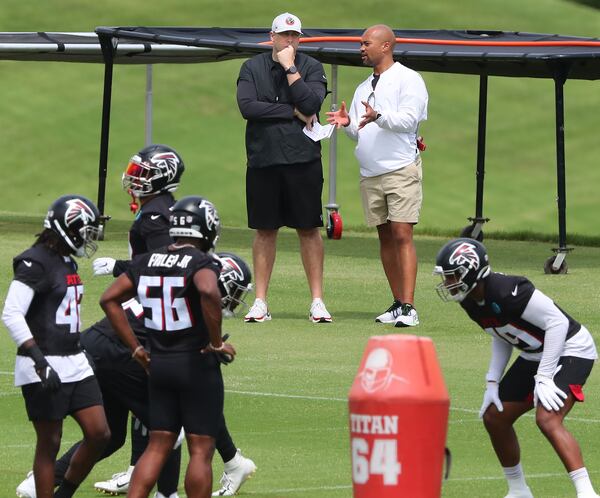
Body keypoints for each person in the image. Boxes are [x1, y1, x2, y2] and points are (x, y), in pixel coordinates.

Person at [434, 238, 600, 498]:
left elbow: (557, 324)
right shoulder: (469, 300)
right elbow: (500, 334)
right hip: (536, 353)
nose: (448, 283)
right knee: (495, 417)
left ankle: (587, 493)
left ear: (472, 271)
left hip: (571, 348)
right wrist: (492, 381)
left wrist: (544, 376)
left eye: (453, 276)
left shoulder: (508, 289)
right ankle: (519, 490)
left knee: (547, 419)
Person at [100, 195, 236, 498]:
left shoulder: (147, 259)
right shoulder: (203, 262)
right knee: (201, 449)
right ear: (206, 228)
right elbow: (208, 290)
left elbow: (108, 299)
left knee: (159, 443)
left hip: (157, 361)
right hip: (196, 363)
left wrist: (136, 349)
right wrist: (216, 342)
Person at [2, 194, 111, 498]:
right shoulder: (34, 261)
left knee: (99, 433)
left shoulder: (66, 259)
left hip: (74, 359)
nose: (89, 237)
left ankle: (64, 494)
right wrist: (38, 359)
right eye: (86, 230)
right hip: (42, 361)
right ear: (68, 227)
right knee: (49, 441)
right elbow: (11, 312)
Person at [326, 24, 428, 327]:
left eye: (366, 43)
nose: (361, 48)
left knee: (401, 234)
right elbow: (360, 133)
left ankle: (409, 307)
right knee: (384, 236)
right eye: (360, 43)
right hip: (370, 173)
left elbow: (410, 120)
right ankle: (397, 302)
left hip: (400, 169)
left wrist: (379, 116)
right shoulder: (362, 88)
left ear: (386, 46)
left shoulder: (409, 79)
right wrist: (348, 124)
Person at [236, 12, 332, 324]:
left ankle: (317, 301)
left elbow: (310, 105)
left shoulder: (310, 67)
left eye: (295, 36)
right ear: (272, 37)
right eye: (284, 36)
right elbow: (248, 107)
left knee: (308, 228)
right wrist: (289, 110)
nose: (290, 41)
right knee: (265, 230)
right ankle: (260, 301)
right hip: (263, 160)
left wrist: (291, 68)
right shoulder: (252, 67)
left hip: (303, 161)